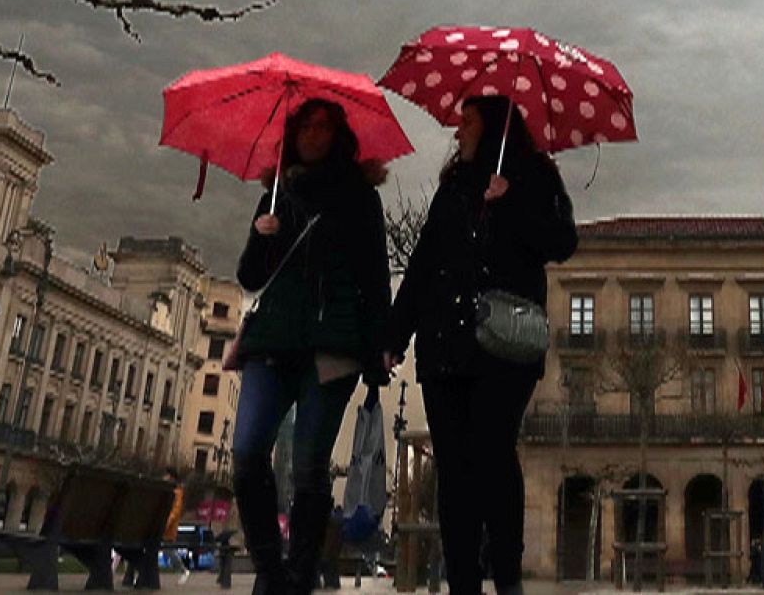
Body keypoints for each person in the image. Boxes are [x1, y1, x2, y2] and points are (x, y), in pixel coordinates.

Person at [386, 96, 577, 595]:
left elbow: (562, 240)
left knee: (493, 452)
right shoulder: (453, 188)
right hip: (445, 344)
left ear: (493, 127)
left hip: (505, 343)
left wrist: (510, 200)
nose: (457, 132)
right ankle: (464, 583)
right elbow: (426, 262)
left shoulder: (534, 175)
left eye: (466, 122)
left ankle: (507, 578)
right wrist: (392, 337)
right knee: (453, 469)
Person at [228, 98, 392, 595]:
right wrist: (263, 236)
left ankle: (298, 575)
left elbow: (374, 276)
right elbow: (250, 275)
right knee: (247, 453)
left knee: (308, 467)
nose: (312, 135)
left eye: (323, 127)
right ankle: (269, 569)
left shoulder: (360, 198)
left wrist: (380, 344)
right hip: (275, 340)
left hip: (332, 344)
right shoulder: (277, 191)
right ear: (292, 133)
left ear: (338, 136)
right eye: (304, 126)